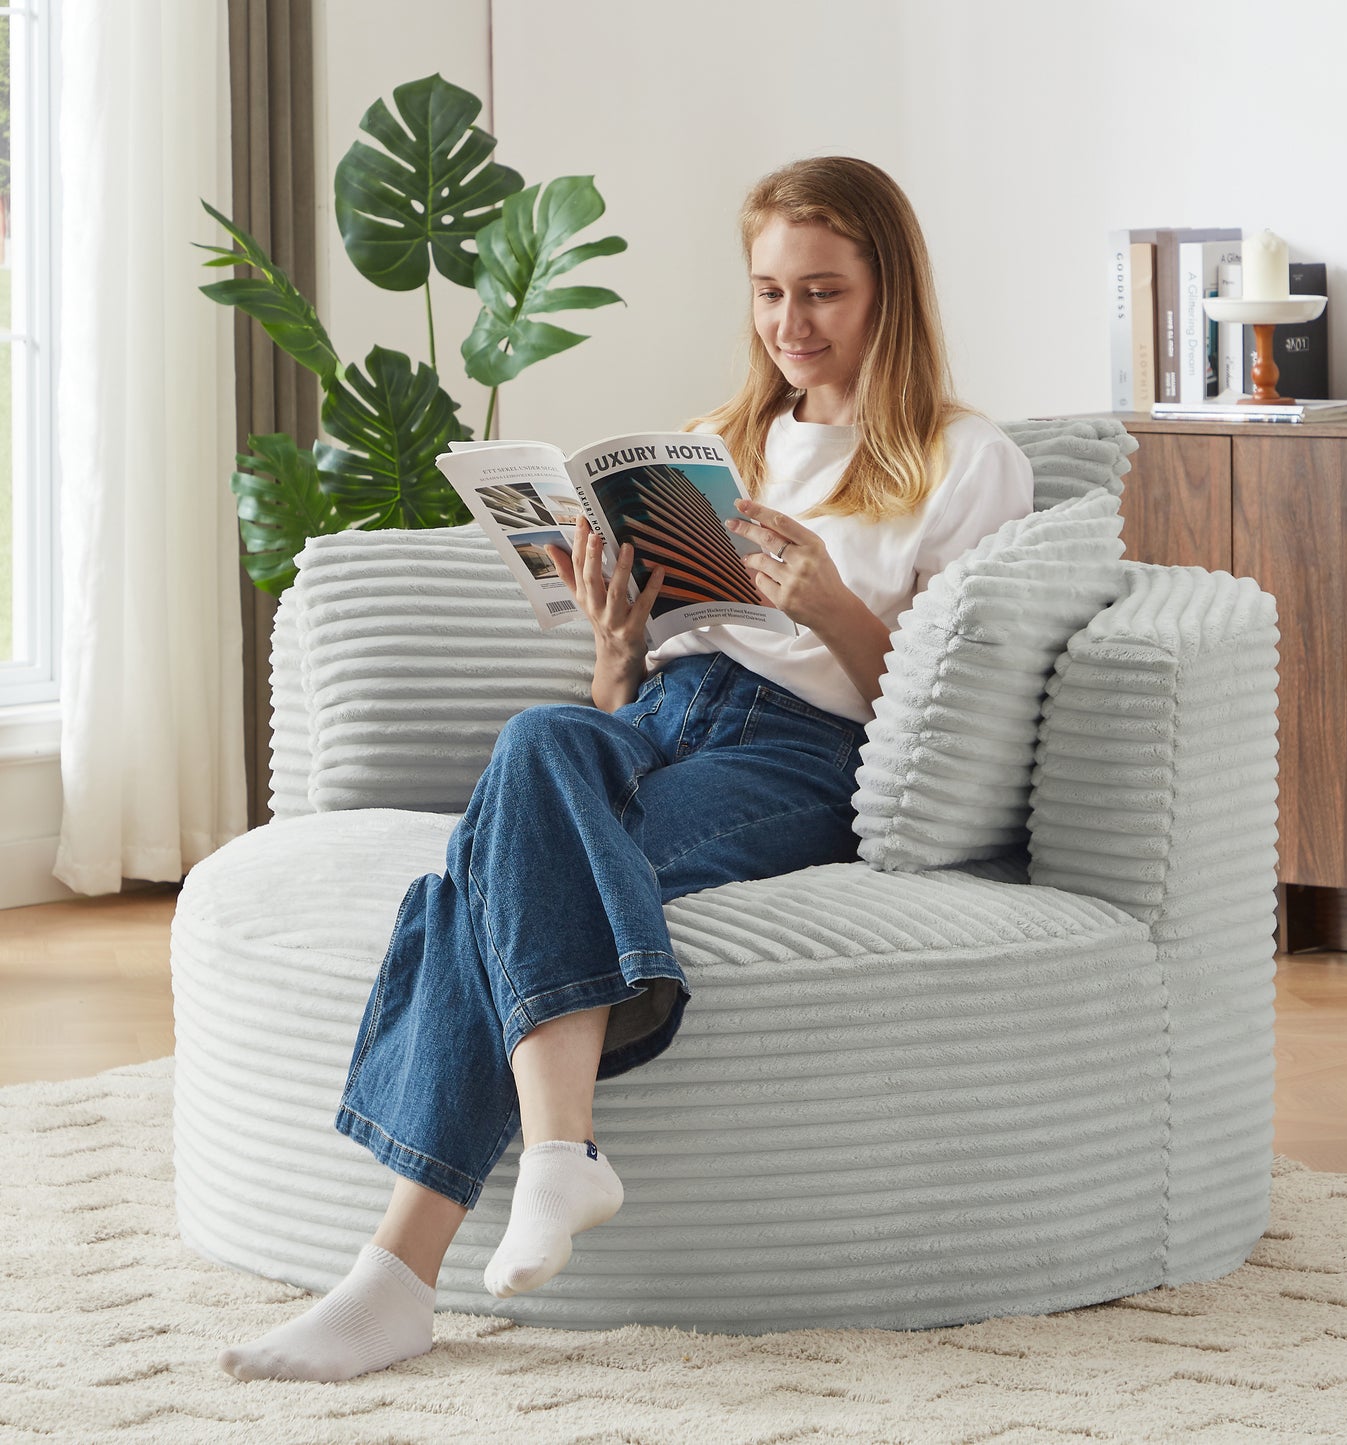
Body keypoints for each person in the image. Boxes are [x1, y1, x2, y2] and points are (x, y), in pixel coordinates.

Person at [218, 155, 1033, 1384]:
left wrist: (828, 606)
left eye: (822, 291)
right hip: (661, 711)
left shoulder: (962, 459)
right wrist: (614, 644)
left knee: (471, 886)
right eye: (768, 292)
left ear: (889, 291)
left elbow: (947, 711)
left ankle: (398, 1272)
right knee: (540, 736)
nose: (790, 323)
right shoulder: (717, 443)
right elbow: (623, 698)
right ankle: (557, 1157)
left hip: (801, 746)